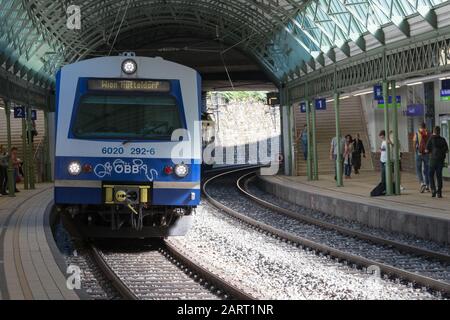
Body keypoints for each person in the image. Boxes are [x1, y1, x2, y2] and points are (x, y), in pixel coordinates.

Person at [426, 126, 449, 198]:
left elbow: (427, 150)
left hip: (432, 160)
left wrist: (430, 152)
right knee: (439, 176)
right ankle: (439, 192)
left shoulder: (431, 139)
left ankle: (433, 190)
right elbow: (447, 150)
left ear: (434, 131)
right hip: (440, 161)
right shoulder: (443, 139)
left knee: (430, 175)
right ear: (439, 131)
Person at [413, 123, 430, 193]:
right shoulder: (428, 133)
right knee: (427, 170)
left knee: (418, 169)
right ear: (425, 126)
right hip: (426, 154)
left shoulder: (417, 133)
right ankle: (427, 186)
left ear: (420, 126)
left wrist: (416, 152)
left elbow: (414, 144)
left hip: (419, 153)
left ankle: (422, 183)